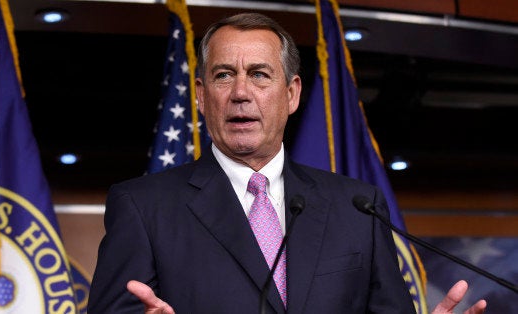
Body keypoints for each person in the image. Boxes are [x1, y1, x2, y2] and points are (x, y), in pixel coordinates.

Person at [88, 12, 487, 313]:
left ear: (292, 94)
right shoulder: (142, 206)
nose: (241, 92)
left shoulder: (356, 207)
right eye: (224, 75)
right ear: (201, 96)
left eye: (260, 74)